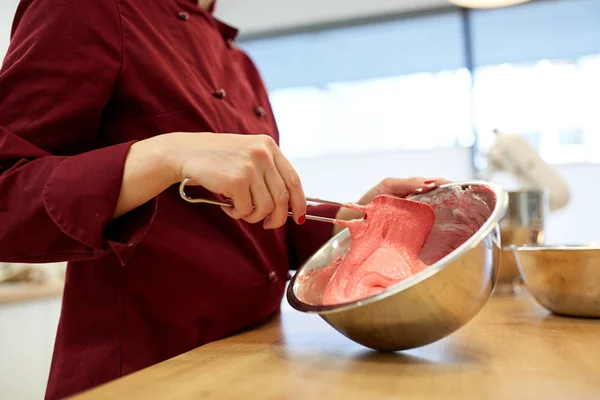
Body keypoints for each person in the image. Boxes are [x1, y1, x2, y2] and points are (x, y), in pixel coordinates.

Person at [0, 0, 448, 398]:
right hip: (146, 373)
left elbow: (255, 225)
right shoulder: (86, 7)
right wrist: (166, 154)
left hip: (257, 359)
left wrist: (356, 218)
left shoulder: (241, 63)